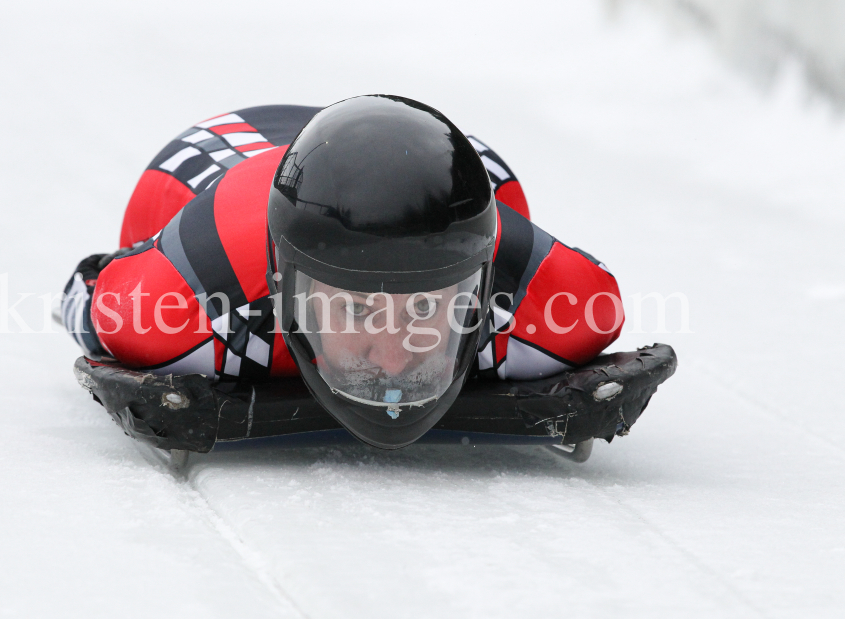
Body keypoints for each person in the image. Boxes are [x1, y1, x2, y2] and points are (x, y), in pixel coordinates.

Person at [62, 96, 624, 448]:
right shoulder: (174, 307)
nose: (395, 359)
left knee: (497, 184)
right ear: (287, 287)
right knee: (153, 208)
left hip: (424, 154)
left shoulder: (560, 304)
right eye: (357, 307)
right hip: (220, 157)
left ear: (478, 282)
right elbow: (85, 291)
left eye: (426, 306)